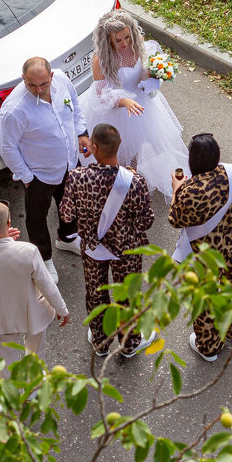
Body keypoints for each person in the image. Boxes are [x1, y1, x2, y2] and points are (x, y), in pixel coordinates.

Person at [59, 123, 157, 358]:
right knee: (127, 295)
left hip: (93, 248)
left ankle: (100, 341)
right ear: (119, 143)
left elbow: (67, 215)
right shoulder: (135, 181)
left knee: (96, 292)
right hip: (126, 250)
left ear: (93, 148)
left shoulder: (76, 177)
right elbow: (146, 222)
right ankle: (130, 342)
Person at [169, 133, 232, 362]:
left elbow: (175, 219)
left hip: (206, 256)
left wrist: (176, 190)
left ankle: (209, 346)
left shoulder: (191, 190)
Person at [0, 57, 91, 285]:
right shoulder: (14, 110)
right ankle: (44, 257)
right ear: (23, 79)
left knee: (71, 203)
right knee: (37, 217)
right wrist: (27, 176)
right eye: (32, 85)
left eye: (43, 84)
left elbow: (75, 106)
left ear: (51, 77)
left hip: (69, 162)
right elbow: (6, 146)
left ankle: (68, 237)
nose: (38, 90)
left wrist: (81, 133)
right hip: (39, 173)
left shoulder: (61, 79)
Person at [82, 10, 188, 200]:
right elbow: (101, 94)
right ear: (107, 40)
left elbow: (143, 73)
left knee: (138, 146)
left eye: (127, 37)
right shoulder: (101, 60)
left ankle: (131, 179)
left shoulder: (138, 43)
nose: (125, 44)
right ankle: (118, 184)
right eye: (118, 40)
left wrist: (153, 77)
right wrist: (123, 101)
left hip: (141, 104)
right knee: (118, 150)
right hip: (116, 110)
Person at [0, 201, 70, 367]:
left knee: (4, 362)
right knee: (35, 355)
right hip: (32, 312)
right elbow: (46, 283)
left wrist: (4, 240)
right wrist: (61, 309)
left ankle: (10, 391)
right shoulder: (29, 251)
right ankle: (33, 389)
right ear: (8, 222)